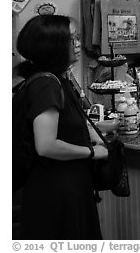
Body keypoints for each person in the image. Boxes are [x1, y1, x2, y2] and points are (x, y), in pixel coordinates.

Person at [13, 14, 108, 239]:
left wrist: (92, 132)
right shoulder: (46, 84)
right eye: (71, 39)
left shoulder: (57, 79)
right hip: (55, 190)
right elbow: (46, 145)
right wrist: (91, 152)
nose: (77, 44)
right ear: (52, 46)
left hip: (69, 185)